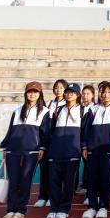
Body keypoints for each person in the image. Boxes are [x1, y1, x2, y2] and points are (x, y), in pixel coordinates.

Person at [0, 81, 49, 218]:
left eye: (35, 92)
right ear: (26, 94)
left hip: (32, 152)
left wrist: (42, 148)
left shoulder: (45, 111)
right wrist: (6, 147)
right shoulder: (17, 111)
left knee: (25, 181)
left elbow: (45, 132)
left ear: (40, 94)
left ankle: (21, 209)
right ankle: (11, 209)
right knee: (13, 181)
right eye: (29, 92)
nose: (32, 94)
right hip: (13, 151)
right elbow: (10, 130)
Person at [80, 83, 110, 218]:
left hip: (109, 150)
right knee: (92, 179)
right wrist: (85, 146)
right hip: (93, 150)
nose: (105, 95)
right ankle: (92, 207)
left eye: (109, 92)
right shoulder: (93, 109)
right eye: (103, 92)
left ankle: (103, 207)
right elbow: (86, 130)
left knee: (105, 180)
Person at [46, 83, 83, 218]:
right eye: (67, 92)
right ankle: (53, 208)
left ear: (77, 95)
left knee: (68, 183)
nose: (68, 95)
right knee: (53, 181)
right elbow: (51, 129)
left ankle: (64, 208)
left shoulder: (83, 110)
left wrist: (82, 148)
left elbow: (84, 131)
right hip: (56, 151)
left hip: (72, 152)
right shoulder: (58, 109)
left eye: (72, 92)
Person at [35, 78, 67, 209]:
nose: (58, 90)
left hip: (59, 143)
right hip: (47, 142)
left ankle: (53, 197)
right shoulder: (49, 103)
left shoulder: (68, 105)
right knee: (44, 170)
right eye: (56, 87)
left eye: (61, 88)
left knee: (57, 172)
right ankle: (43, 196)